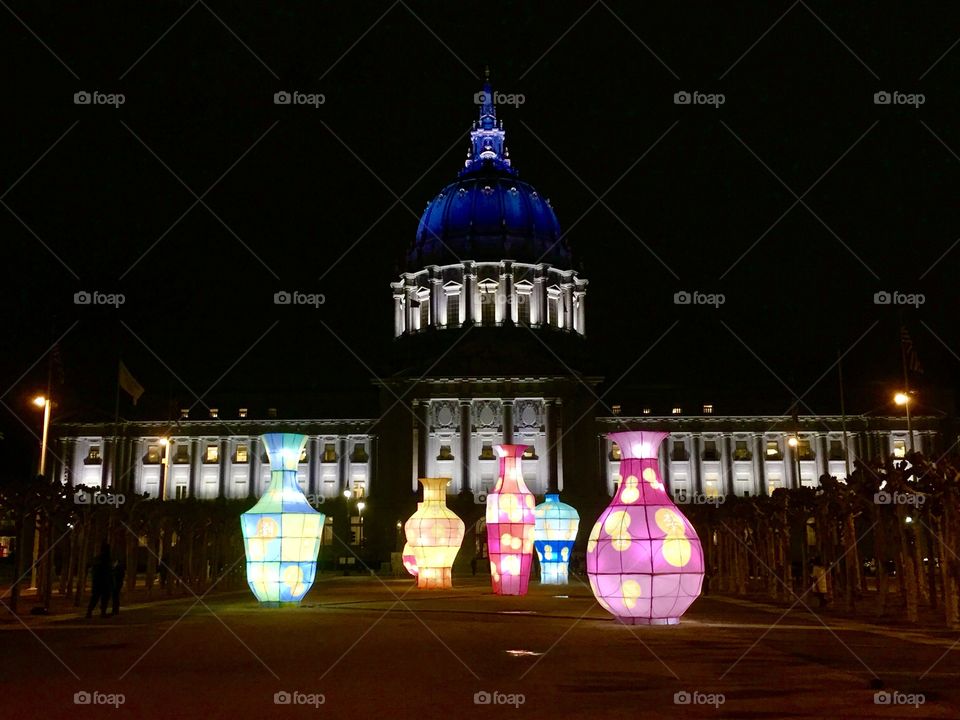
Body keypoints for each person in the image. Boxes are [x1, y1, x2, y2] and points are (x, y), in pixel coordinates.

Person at [86, 543, 113, 619]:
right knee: (104, 598)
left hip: (97, 582)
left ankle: (89, 612)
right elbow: (109, 571)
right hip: (104, 582)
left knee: (95, 598)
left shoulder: (97, 559)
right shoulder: (107, 559)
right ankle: (102, 613)